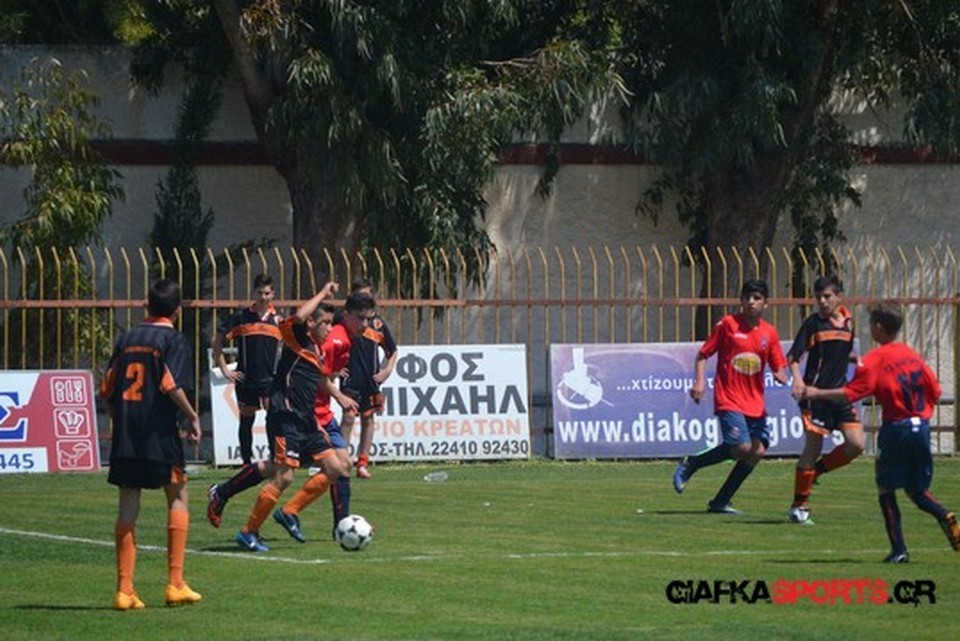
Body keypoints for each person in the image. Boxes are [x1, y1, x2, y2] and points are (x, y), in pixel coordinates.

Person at [801, 300, 960, 563]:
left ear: (878, 326)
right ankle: (945, 515)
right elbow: (934, 390)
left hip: (896, 429)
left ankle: (899, 550)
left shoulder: (875, 359)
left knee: (885, 487)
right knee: (916, 491)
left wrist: (815, 392)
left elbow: (850, 393)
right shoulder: (911, 354)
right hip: (921, 428)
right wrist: (920, 415)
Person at [206, 282, 349, 552]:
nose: (330, 329)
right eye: (326, 323)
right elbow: (301, 316)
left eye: (332, 323)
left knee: (336, 468)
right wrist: (322, 292)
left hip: (305, 421)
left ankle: (284, 510)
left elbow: (313, 384)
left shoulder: (316, 350)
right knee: (284, 476)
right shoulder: (296, 337)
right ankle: (248, 532)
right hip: (285, 416)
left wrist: (330, 407)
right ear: (311, 324)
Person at [99, 278, 203, 610]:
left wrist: (120, 418)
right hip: (159, 435)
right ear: (177, 310)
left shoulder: (127, 339)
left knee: (128, 506)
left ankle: (124, 591)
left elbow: (106, 389)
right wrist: (192, 416)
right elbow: (171, 385)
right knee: (178, 496)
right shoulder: (173, 339)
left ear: (147, 305)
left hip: (127, 436)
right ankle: (175, 584)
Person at [673, 279, 789, 514]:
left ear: (765, 303)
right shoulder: (728, 324)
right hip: (729, 398)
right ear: (741, 300)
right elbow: (703, 354)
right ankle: (692, 463)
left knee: (757, 451)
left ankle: (721, 501)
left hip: (755, 403)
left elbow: (778, 364)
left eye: (757, 298)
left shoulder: (769, 333)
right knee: (742, 447)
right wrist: (699, 381)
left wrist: (783, 375)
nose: (751, 302)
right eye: (747, 298)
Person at [273, 290, 375, 542]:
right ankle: (243, 507)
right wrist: (338, 397)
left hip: (322, 414)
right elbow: (317, 375)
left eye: (368, 319)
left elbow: (324, 374)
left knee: (342, 465)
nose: (365, 324)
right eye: (360, 318)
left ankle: (339, 525)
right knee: (281, 471)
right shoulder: (335, 339)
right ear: (347, 316)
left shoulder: (344, 339)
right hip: (310, 415)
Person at [785, 275, 864, 524]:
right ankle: (799, 506)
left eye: (827, 296)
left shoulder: (848, 323)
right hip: (814, 395)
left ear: (839, 297)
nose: (821, 301)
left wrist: (859, 361)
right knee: (813, 447)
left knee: (856, 445)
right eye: (818, 297)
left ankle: (817, 471)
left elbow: (842, 354)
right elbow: (793, 357)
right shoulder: (813, 324)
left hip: (839, 394)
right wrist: (798, 381)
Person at [211, 273, 282, 465]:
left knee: (273, 419)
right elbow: (217, 340)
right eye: (260, 293)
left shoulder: (278, 320)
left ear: (273, 294)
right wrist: (224, 369)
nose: (263, 297)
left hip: (270, 379)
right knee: (246, 419)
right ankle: (246, 462)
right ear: (254, 293)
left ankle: (274, 459)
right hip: (246, 378)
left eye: (267, 293)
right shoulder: (241, 317)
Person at [339, 279, 398, 479]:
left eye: (367, 295)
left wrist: (387, 370)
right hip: (351, 378)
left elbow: (392, 350)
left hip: (370, 380)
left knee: (368, 418)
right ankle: (342, 460)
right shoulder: (344, 320)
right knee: (348, 417)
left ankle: (362, 462)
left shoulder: (377, 323)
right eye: (360, 295)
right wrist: (336, 368)